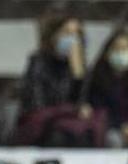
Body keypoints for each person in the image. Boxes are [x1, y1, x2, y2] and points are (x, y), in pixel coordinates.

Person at [15, 15, 107, 147]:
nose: (73, 39)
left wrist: (78, 76)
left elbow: (82, 104)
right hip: (43, 126)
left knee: (86, 133)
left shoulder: (82, 68)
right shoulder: (38, 62)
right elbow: (38, 105)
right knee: (60, 136)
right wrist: (70, 110)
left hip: (71, 125)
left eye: (77, 34)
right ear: (54, 36)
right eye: (67, 33)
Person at [86, 30, 128, 148]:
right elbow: (99, 110)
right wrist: (121, 127)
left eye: (126, 49)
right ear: (107, 53)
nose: (121, 53)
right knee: (114, 139)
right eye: (117, 49)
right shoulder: (96, 77)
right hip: (110, 127)